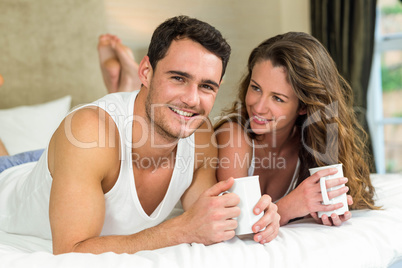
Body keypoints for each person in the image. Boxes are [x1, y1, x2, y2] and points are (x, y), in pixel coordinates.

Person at [0, 15, 280, 255]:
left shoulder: (201, 134)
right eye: (178, 78)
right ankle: (121, 86)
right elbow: (71, 251)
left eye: (206, 86)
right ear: (146, 71)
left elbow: (209, 215)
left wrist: (262, 216)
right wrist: (178, 229)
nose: (192, 100)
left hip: (69, 162)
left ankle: (122, 87)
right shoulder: (87, 132)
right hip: (10, 177)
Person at [214, 32, 378, 227]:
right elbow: (238, 224)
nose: (258, 107)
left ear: (303, 107)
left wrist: (321, 208)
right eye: (256, 88)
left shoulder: (311, 145)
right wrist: (290, 207)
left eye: (277, 98)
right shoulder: (234, 135)